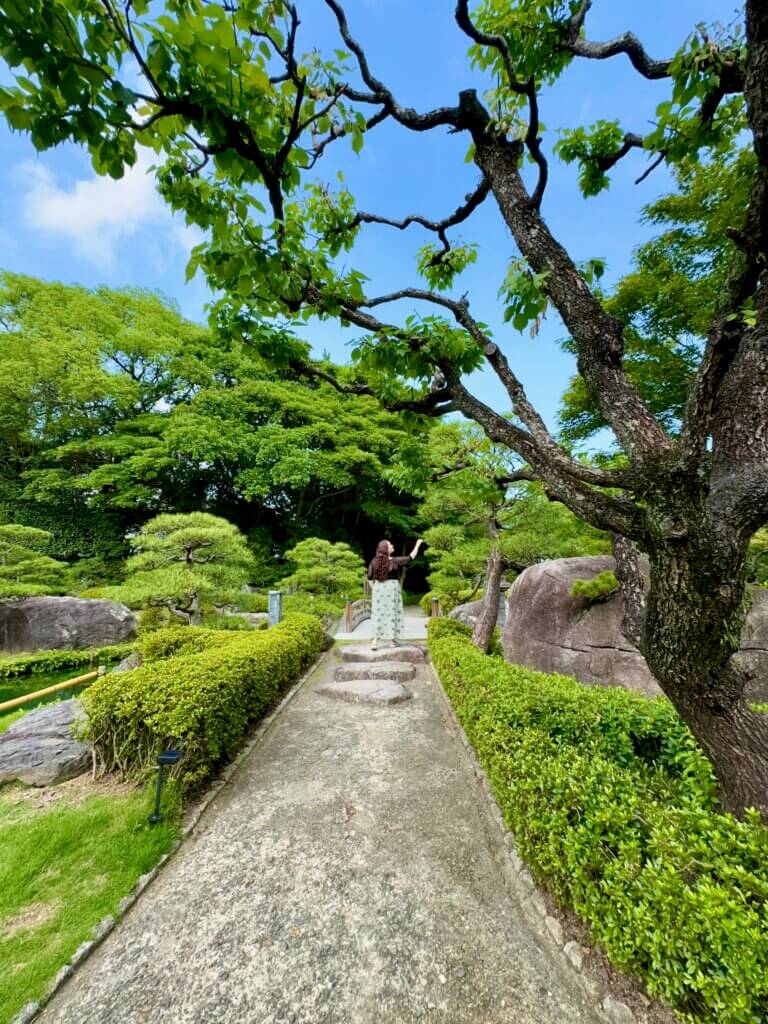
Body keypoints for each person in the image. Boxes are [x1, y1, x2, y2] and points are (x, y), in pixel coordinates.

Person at [367, 538, 424, 650]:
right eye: (390, 545)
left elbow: (369, 576)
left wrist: (374, 589)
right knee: (392, 613)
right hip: (392, 590)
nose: (392, 545)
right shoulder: (394, 561)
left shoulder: (374, 561)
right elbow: (410, 558)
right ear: (385, 549)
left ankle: (374, 641)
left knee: (378, 614)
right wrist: (417, 544)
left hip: (379, 589)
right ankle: (392, 640)